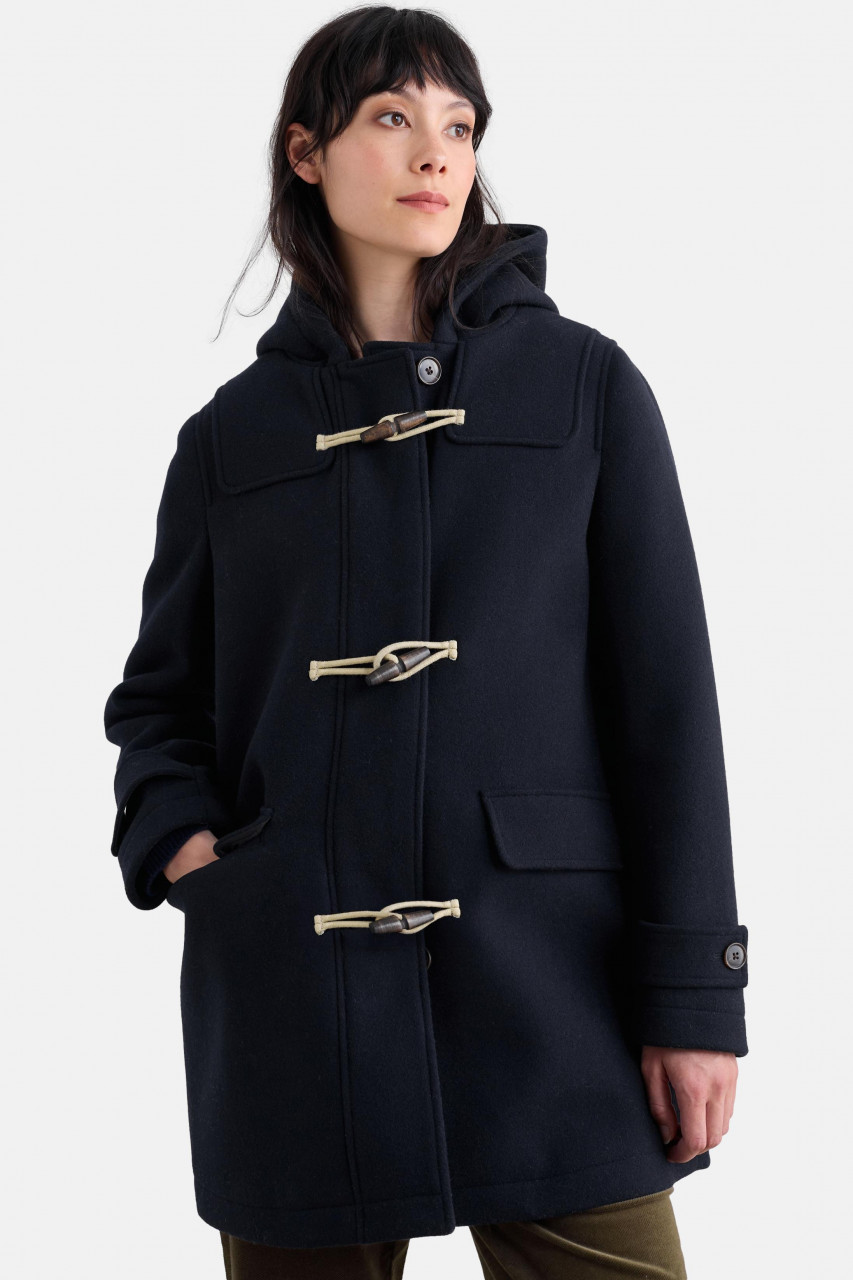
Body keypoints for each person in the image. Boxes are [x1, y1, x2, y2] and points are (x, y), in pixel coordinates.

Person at [104, 7, 749, 1278]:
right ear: (306, 151)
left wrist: (695, 999)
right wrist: (192, 853)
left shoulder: (583, 389)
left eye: (459, 126)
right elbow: (160, 701)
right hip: (296, 992)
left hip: (552, 984)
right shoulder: (230, 439)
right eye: (392, 117)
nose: (435, 153)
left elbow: (668, 710)